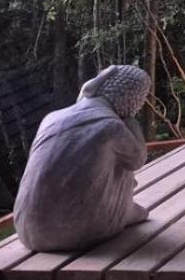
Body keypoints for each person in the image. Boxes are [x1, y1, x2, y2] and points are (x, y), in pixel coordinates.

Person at [13, 65, 152, 252]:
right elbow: (138, 159)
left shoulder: (52, 118)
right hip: (76, 232)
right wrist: (130, 120)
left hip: (26, 230)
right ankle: (121, 212)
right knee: (123, 164)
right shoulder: (111, 126)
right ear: (134, 98)